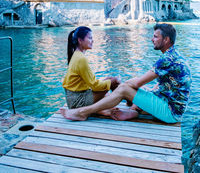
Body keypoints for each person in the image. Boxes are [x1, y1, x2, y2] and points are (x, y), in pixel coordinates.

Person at [61, 23, 191, 123]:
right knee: (141, 89)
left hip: (170, 112)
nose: (152, 39)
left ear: (166, 39)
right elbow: (159, 84)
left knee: (125, 88)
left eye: (156, 36)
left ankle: (83, 112)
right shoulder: (174, 55)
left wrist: (123, 86)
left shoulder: (167, 59)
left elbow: (138, 82)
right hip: (167, 102)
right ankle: (133, 111)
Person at [62, 26, 120, 112]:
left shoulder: (77, 55)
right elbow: (95, 86)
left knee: (109, 80)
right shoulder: (81, 59)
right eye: (90, 38)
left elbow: (92, 83)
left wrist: (109, 81)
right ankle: (124, 101)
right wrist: (113, 81)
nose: (92, 40)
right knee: (113, 82)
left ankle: (114, 103)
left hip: (74, 99)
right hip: (77, 103)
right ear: (80, 40)